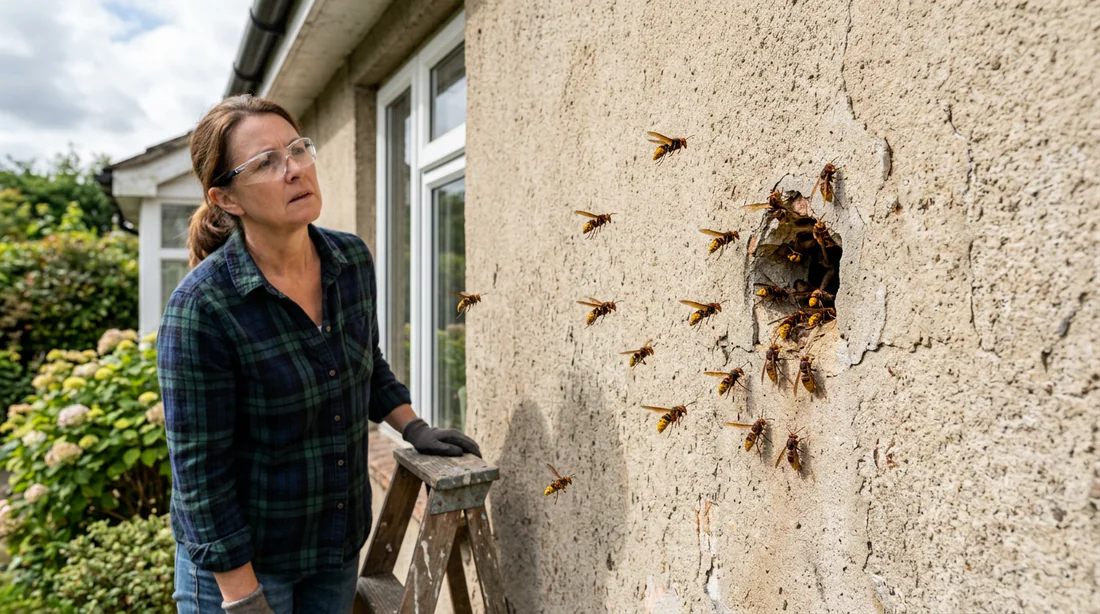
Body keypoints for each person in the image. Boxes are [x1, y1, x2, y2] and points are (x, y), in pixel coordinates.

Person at [157, 95, 481, 614]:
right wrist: (243, 600)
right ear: (226, 199)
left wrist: (414, 427)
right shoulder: (202, 309)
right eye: (266, 162)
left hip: (334, 548)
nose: (294, 169)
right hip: (244, 570)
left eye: (297, 149)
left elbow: (364, 364)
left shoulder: (350, 259)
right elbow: (201, 478)